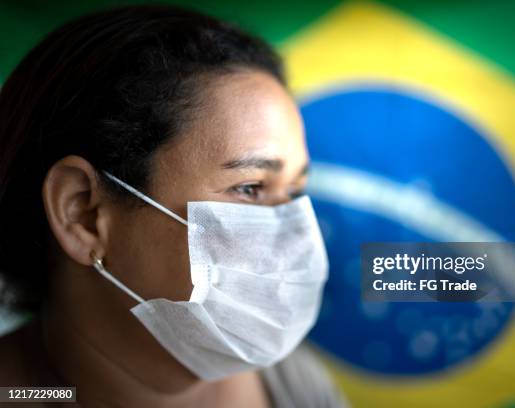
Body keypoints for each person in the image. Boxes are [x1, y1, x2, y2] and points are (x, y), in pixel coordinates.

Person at [0, 5, 348, 407]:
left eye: (293, 194)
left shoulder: (293, 382)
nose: (298, 238)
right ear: (84, 215)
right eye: (250, 188)